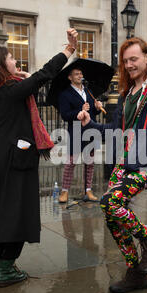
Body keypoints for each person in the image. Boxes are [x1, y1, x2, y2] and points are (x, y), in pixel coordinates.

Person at [0, 28, 78, 287]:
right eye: (11, 58)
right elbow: (46, 73)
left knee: (1, 213)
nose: (15, 61)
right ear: (1, 66)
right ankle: (6, 269)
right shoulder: (11, 90)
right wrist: (68, 50)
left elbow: (32, 87)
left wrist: (23, 81)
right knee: (16, 214)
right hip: (14, 160)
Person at [77, 37, 147, 293]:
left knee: (109, 202)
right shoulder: (128, 94)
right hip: (124, 161)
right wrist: (89, 126)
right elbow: (116, 130)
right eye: (125, 61)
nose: (129, 65)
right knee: (111, 215)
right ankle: (136, 273)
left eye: (134, 59)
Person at [58, 68, 103, 203]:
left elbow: (94, 113)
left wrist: (97, 107)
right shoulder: (65, 94)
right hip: (76, 130)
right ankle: (64, 191)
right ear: (70, 77)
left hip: (91, 129)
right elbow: (65, 115)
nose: (80, 76)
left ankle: (88, 190)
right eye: (76, 74)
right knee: (71, 162)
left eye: (81, 74)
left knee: (90, 162)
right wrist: (80, 110)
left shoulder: (89, 91)